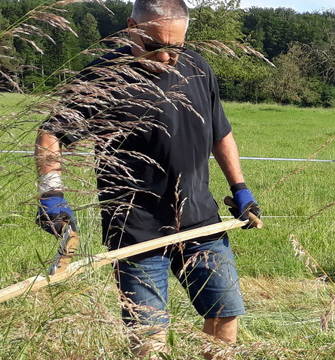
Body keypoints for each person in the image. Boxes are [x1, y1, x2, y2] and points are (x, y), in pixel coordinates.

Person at [33, 0, 260, 357]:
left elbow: (221, 133)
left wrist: (240, 188)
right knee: (148, 338)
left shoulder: (199, 69)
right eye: (155, 46)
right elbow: (51, 135)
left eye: (176, 47)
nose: (167, 57)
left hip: (200, 222)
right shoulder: (102, 77)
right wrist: (51, 194)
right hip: (135, 230)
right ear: (131, 28)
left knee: (225, 315)